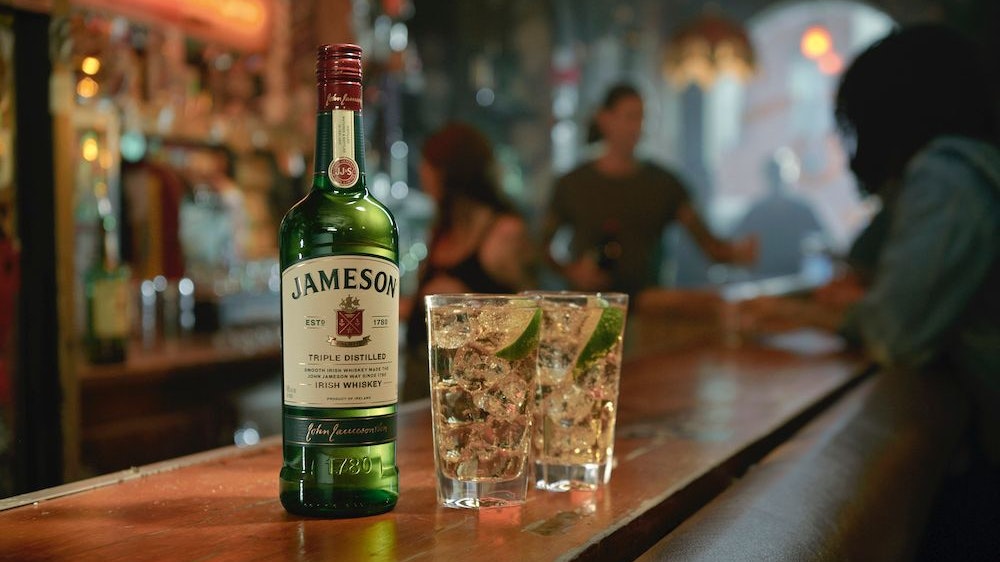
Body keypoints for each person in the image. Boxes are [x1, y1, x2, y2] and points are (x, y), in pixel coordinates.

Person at [744, 24, 999, 560]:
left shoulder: (947, 173)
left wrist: (796, 313)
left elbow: (895, 334)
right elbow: (867, 261)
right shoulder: (967, 166)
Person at [541, 83, 756, 296]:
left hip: (649, 302)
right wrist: (572, 271)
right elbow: (541, 248)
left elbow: (708, 244)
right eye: (630, 117)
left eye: (641, 118)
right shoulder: (573, 184)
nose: (636, 128)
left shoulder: (663, 184)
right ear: (604, 118)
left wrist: (737, 252)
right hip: (591, 305)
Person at [402, 123, 535, 401]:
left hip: (472, 390)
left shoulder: (503, 232)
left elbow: (527, 313)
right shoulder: (442, 228)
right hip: (422, 379)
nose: (422, 173)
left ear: (450, 172)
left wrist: (467, 304)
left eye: (429, 165)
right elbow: (417, 305)